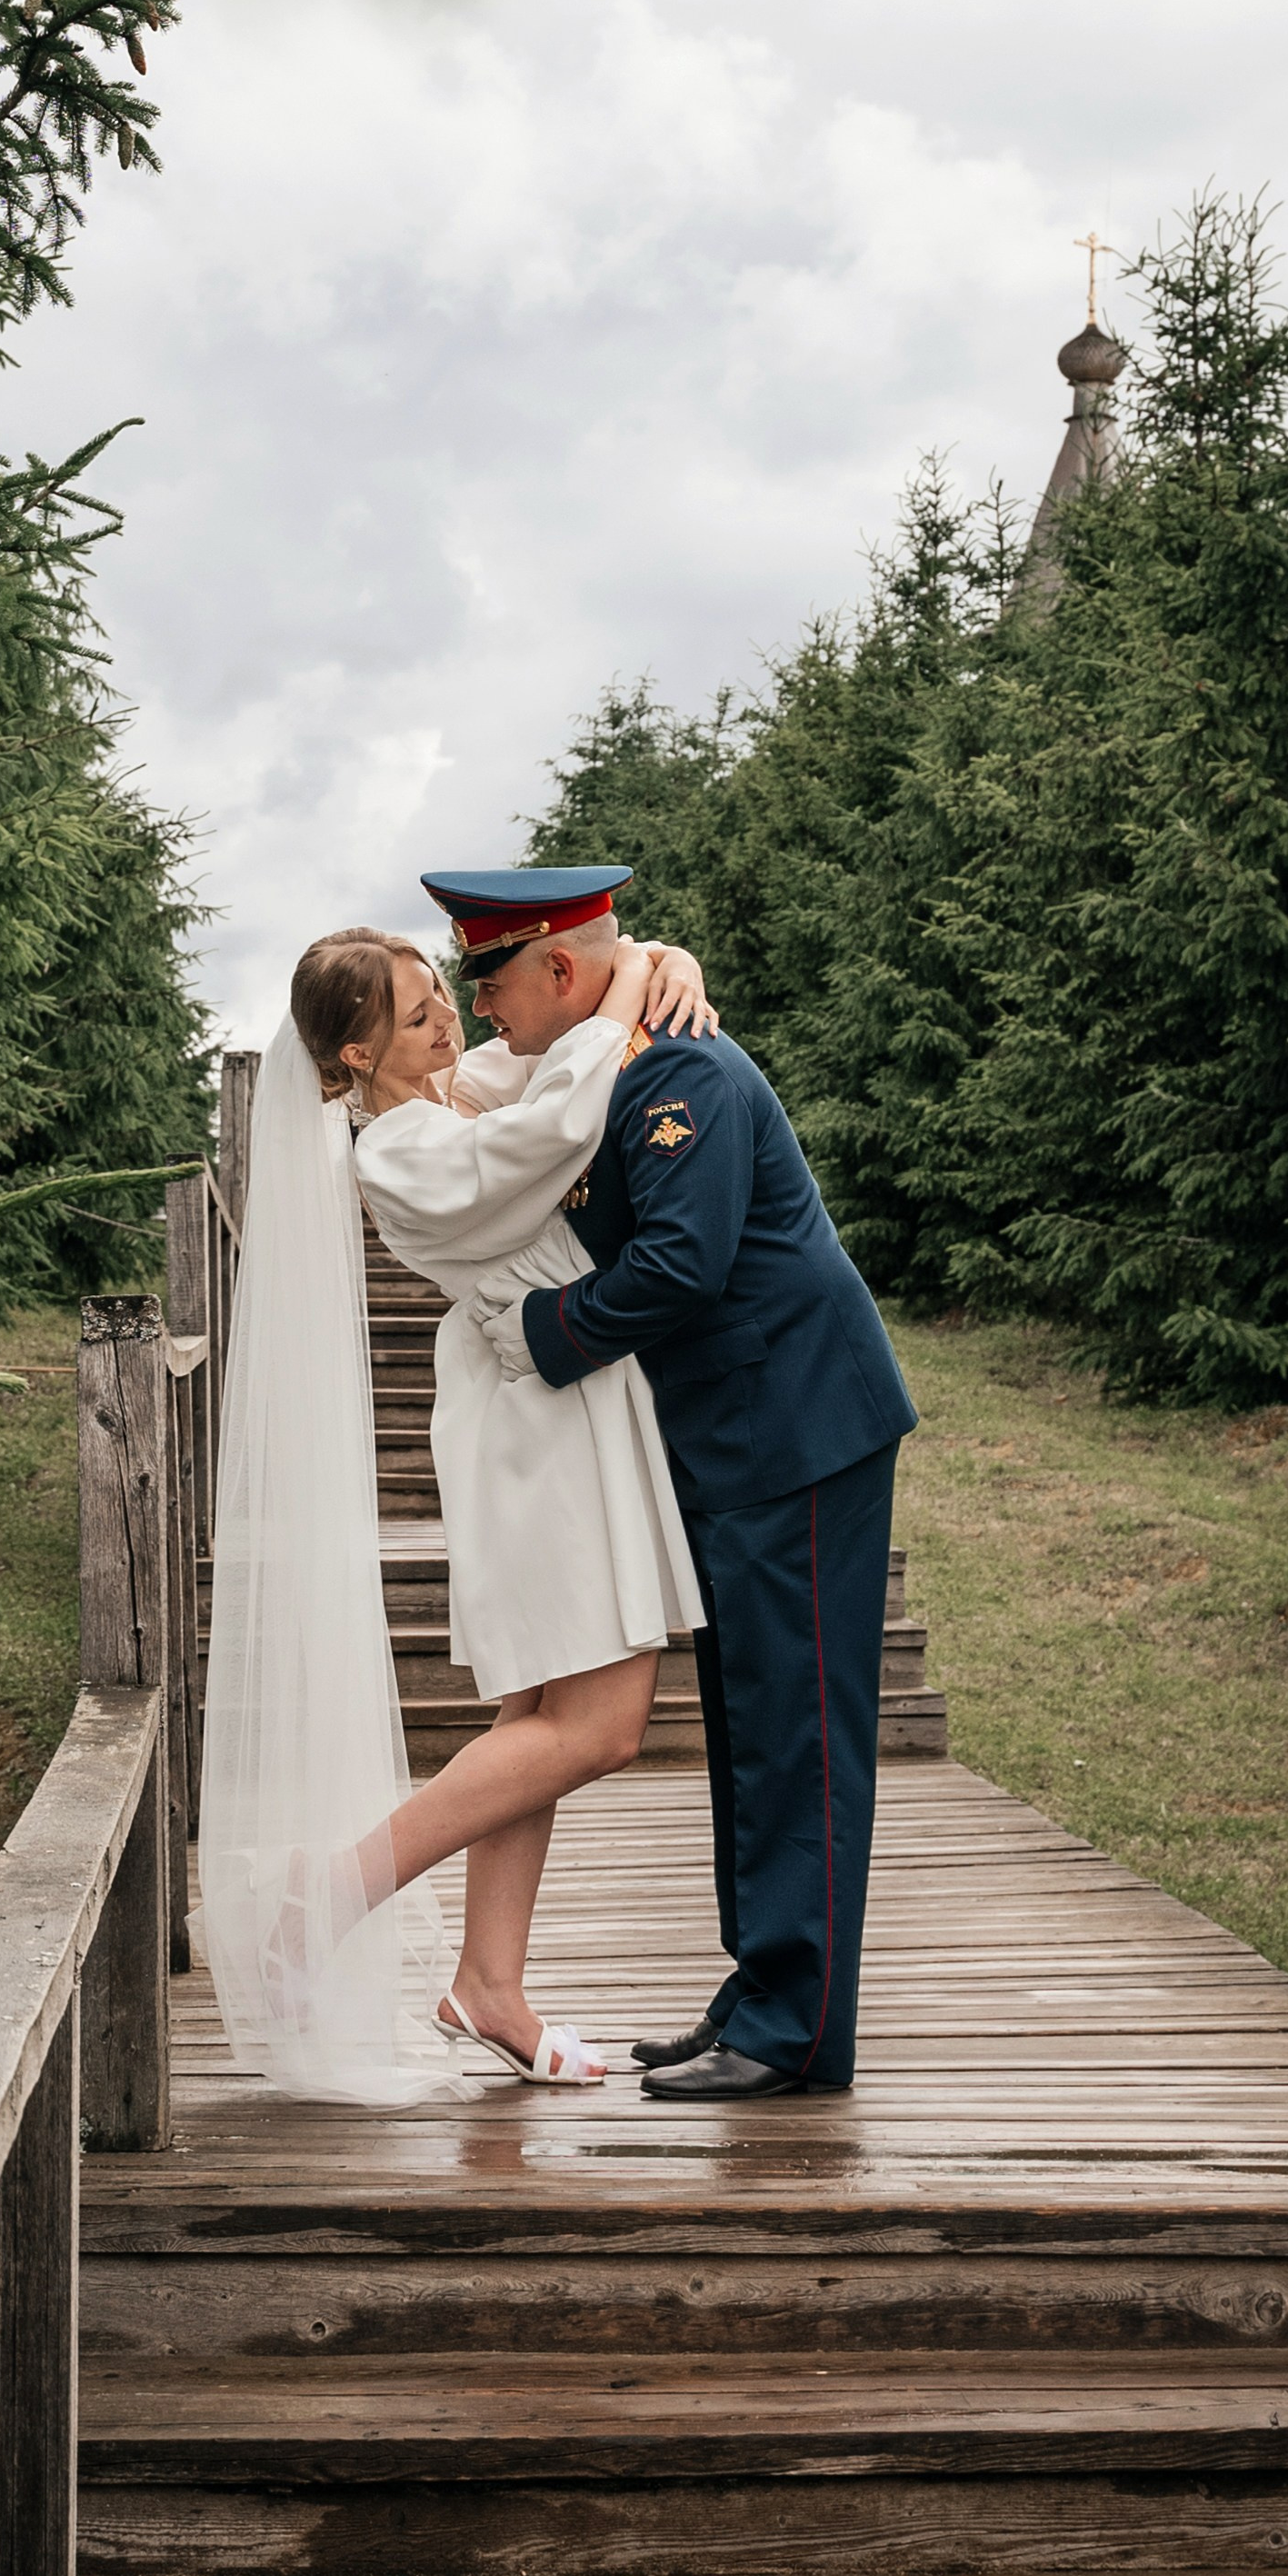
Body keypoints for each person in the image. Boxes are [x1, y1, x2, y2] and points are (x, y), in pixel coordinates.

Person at [196, 878, 713, 2104]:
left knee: (535, 1717)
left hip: (564, 1411)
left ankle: (489, 1983)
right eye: (423, 1015)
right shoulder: (403, 1150)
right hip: (530, 1433)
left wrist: (655, 955)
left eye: (444, 1000)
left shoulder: (446, 1097)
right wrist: (632, 984)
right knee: (596, 1728)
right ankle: (324, 1897)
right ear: (356, 1050)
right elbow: (561, 1120)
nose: (451, 1026)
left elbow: (543, 1042)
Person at [435, 866, 919, 2102]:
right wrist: (653, 955)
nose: (482, 1007)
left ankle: (795, 2032)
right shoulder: (592, 1065)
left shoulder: (680, 1076)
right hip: (735, 1435)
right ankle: (764, 1990)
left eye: (492, 982)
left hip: (795, 1424)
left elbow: (681, 1269)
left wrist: (539, 1332)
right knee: (755, 1728)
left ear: (557, 971)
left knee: (798, 1732)